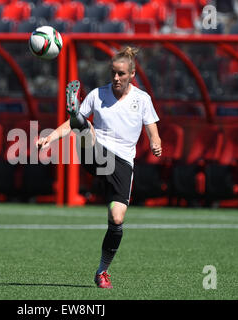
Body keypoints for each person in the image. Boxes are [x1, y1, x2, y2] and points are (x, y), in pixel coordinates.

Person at [36, 46, 162, 289]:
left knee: (117, 218)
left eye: (121, 74)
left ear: (132, 74)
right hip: (96, 151)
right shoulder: (97, 95)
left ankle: (102, 271)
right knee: (84, 128)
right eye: (113, 73)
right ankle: (79, 116)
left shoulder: (142, 99)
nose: (116, 78)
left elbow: (153, 130)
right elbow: (67, 125)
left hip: (123, 162)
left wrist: (156, 142)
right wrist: (49, 138)